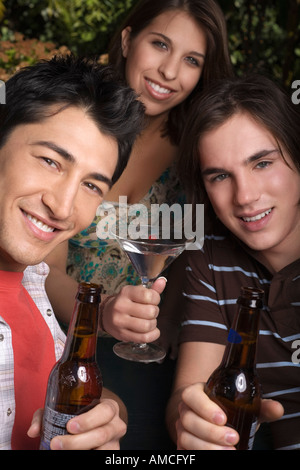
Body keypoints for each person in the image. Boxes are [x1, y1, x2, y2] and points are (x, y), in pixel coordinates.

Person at [44, 0, 233, 450]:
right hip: (62, 338)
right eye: (160, 44)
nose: (169, 71)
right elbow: (44, 267)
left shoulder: (200, 153)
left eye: (191, 60)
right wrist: (103, 312)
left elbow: (206, 255)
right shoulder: (77, 124)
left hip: (151, 355)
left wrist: (164, 322)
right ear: (128, 40)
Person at [0, 53, 155, 450]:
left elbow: (54, 388)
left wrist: (106, 418)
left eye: (91, 186)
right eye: (51, 161)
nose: (63, 207)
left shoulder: (35, 283)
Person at [166, 74, 300, 450]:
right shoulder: (210, 257)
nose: (245, 196)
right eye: (221, 176)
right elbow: (187, 393)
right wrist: (194, 422)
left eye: (261, 163)